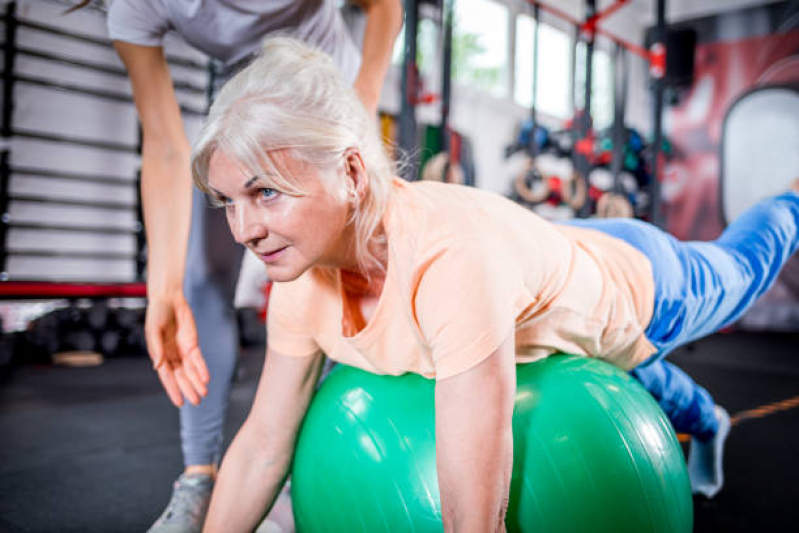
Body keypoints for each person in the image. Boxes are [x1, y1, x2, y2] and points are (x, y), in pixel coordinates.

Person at [190, 37, 799, 532]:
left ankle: (791, 202)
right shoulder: (300, 269)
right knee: (616, 363)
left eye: (265, 192)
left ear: (351, 171)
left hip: (643, 285)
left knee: (745, 263)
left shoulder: (446, 259)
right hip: (546, 265)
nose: (243, 229)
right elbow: (264, 444)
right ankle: (710, 422)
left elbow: (474, 515)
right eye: (228, 201)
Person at [100, 1, 402, 531]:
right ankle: (199, 481)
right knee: (196, 280)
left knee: (338, 280)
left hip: (327, 94)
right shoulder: (138, 5)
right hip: (243, 102)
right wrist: (163, 290)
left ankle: (296, 480)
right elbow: (167, 147)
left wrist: (362, 102)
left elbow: (383, 6)